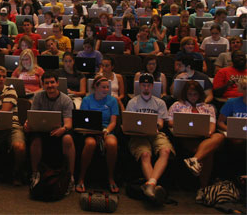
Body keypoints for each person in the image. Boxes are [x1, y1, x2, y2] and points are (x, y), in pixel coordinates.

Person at [168, 80, 225, 201]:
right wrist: (184, 124)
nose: (193, 97)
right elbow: (170, 122)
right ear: (185, 94)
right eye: (190, 94)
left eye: (195, 94)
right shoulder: (177, 105)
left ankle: (194, 160)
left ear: (200, 94)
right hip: (186, 138)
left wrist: (207, 132)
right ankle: (203, 188)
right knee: (208, 153)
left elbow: (212, 126)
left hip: (203, 138)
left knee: (218, 137)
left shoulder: (208, 107)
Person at [124, 74, 174, 203]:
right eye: (143, 85)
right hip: (138, 135)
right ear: (140, 86)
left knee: (166, 151)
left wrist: (154, 126)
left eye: (148, 85)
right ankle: (155, 188)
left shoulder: (160, 102)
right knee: (145, 154)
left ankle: (150, 185)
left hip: (156, 134)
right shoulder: (132, 102)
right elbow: (129, 123)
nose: (146, 88)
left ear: (152, 86)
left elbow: (161, 123)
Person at [24, 72, 75, 195]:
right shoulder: (38, 97)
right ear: (43, 85)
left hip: (60, 131)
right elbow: (32, 116)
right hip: (42, 130)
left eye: (52, 82)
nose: (50, 85)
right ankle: (35, 174)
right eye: (47, 83)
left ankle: (70, 177)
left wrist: (63, 129)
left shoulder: (66, 100)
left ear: (57, 83)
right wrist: (28, 124)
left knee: (68, 139)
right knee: (35, 140)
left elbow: (68, 123)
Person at [77, 75, 120, 193]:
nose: (106, 90)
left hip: (106, 130)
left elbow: (113, 122)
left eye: (107, 87)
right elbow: (83, 121)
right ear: (95, 87)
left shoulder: (112, 101)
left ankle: (111, 178)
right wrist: (94, 131)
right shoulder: (86, 100)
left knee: (112, 143)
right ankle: (81, 178)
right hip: (90, 131)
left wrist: (106, 131)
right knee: (90, 143)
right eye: (103, 87)